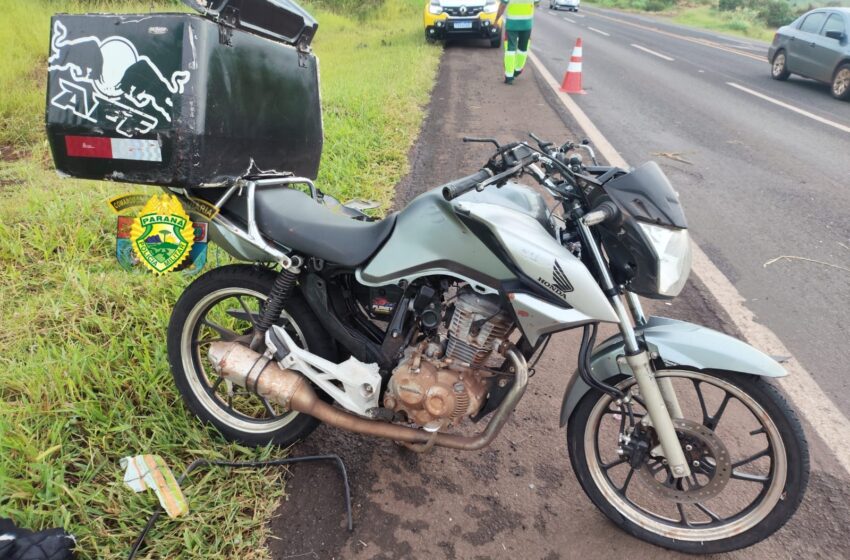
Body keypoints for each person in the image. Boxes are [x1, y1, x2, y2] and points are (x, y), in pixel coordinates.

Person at [495, 0, 535, 84]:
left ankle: (509, 76)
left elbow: (502, 5)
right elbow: (537, 3)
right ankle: (517, 69)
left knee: (510, 49)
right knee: (523, 48)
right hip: (526, 24)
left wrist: (496, 20)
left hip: (512, 25)